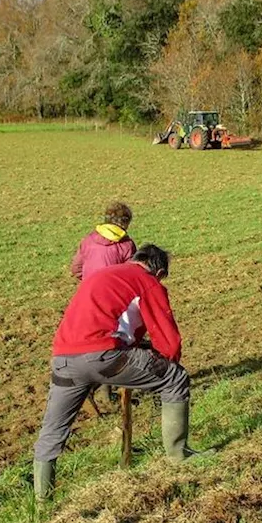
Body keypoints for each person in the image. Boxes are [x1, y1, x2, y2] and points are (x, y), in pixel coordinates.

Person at [32, 244, 206, 501]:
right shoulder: (147, 282)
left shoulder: (103, 276)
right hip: (104, 356)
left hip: (63, 358)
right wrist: (164, 361)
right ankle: (179, 456)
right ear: (157, 272)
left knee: (53, 428)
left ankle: (42, 499)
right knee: (174, 378)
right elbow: (168, 341)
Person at [70, 201, 135, 280]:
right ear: (125, 223)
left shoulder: (88, 240)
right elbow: (131, 274)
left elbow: (76, 268)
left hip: (89, 288)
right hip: (112, 289)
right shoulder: (126, 245)